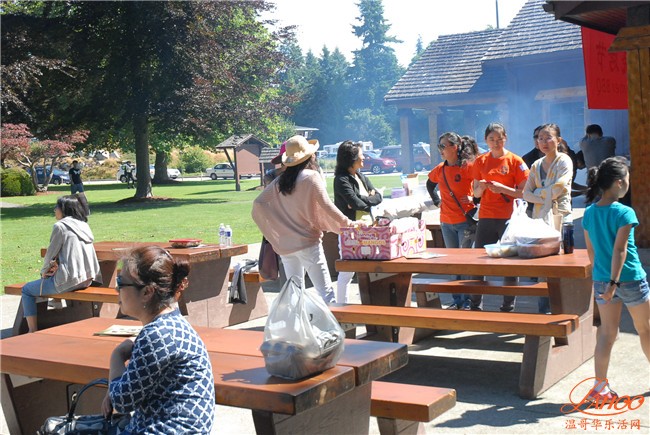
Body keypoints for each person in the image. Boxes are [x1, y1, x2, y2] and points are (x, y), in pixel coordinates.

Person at [102, 246, 215, 433]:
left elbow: (122, 402)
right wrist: (116, 386)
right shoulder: (170, 325)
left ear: (147, 292)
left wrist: (117, 355)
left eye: (120, 282)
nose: (116, 289)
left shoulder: (157, 335)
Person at [252, 135, 357, 304]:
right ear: (309, 156)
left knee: (294, 294)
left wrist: (278, 230)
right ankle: (333, 322)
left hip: (287, 246)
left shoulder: (280, 181)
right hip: (308, 243)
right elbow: (327, 206)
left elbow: (259, 204)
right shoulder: (310, 177)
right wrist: (348, 225)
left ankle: (297, 322)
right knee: (326, 293)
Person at [582, 157, 649, 403]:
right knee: (645, 329)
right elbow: (620, 250)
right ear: (619, 182)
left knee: (606, 334)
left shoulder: (589, 213)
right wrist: (614, 283)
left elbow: (591, 252)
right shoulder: (624, 212)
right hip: (629, 279)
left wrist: (604, 281)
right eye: (628, 179)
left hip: (602, 280)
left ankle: (600, 389)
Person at [470, 123, 530, 311]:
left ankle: (508, 306)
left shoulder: (515, 161)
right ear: (486, 140)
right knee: (479, 261)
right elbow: (475, 193)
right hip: (486, 217)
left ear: (505, 138)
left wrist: (502, 189)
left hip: (508, 218)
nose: (496, 143)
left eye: (499, 139)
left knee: (509, 263)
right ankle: (475, 304)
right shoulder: (480, 161)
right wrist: (482, 187)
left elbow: (525, 193)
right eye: (491, 139)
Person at [21, 194, 101, 332]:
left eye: (56, 207)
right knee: (52, 277)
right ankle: (56, 303)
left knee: (27, 290)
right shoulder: (84, 225)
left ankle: (32, 330)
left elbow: (50, 254)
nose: (54, 210)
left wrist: (43, 272)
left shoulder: (60, 227)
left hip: (69, 281)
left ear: (64, 209)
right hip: (87, 279)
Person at [522, 123, 573, 314]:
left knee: (561, 263)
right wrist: (545, 195)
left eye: (548, 138)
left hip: (561, 217)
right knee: (543, 265)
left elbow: (559, 188)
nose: (543, 142)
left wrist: (537, 193)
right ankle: (543, 310)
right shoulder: (536, 165)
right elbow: (525, 194)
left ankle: (564, 309)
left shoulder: (564, 161)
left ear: (558, 140)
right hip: (540, 221)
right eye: (540, 138)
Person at [427, 132, 479, 310]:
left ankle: (469, 301)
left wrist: (474, 199)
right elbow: (430, 184)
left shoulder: (468, 167)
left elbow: (481, 185)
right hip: (446, 222)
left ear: (455, 147)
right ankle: (457, 301)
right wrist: (437, 201)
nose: (440, 150)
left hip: (465, 221)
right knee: (452, 263)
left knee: (465, 262)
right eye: (439, 146)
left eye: (443, 146)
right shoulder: (440, 169)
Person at [333, 140, 383, 303]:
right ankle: (341, 307)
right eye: (361, 155)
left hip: (370, 229)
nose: (364, 158)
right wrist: (367, 198)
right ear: (352, 159)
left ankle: (369, 305)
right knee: (347, 272)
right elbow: (354, 204)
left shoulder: (361, 175)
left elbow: (378, 197)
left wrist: (362, 198)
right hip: (351, 231)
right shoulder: (341, 180)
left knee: (370, 270)